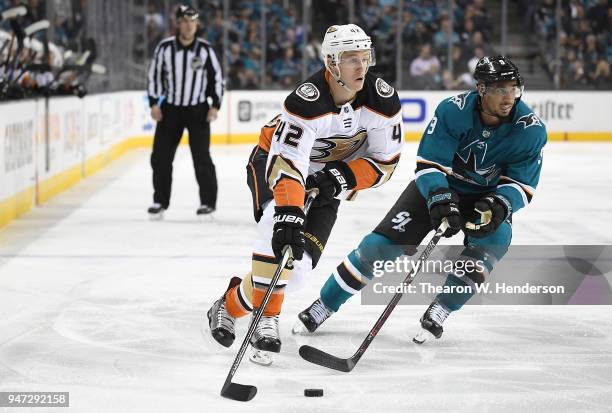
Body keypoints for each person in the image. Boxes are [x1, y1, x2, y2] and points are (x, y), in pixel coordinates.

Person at [294, 56, 547, 344]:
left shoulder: (531, 129)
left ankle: (441, 309)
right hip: (438, 190)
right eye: (500, 88)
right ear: (481, 89)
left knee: (493, 244)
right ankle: (324, 305)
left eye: (513, 88)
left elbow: (521, 185)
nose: (508, 97)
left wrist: (498, 204)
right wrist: (440, 198)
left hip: (484, 198)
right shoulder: (453, 111)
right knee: (378, 247)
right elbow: (429, 166)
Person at [206, 24, 404, 364]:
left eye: (365, 58)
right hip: (276, 164)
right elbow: (286, 165)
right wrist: (289, 214)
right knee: (277, 228)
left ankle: (228, 305)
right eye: (351, 59)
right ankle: (267, 318)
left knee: (296, 272)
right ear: (331, 63)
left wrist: (341, 177)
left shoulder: (381, 101)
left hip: (329, 178)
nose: (361, 67)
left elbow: (385, 163)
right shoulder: (306, 102)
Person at [146, 5, 224, 220]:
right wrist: (154, 103)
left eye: (193, 22)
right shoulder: (164, 48)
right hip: (170, 110)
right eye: (185, 21)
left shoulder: (206, 50)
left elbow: (216, 79)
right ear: (178, 23)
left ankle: (208, 203)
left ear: (197, 24)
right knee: (160, 157)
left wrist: (215, 105)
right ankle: (159, 201)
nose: (189, 25)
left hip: (197, 110)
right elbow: (154, 77)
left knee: (202, 158)